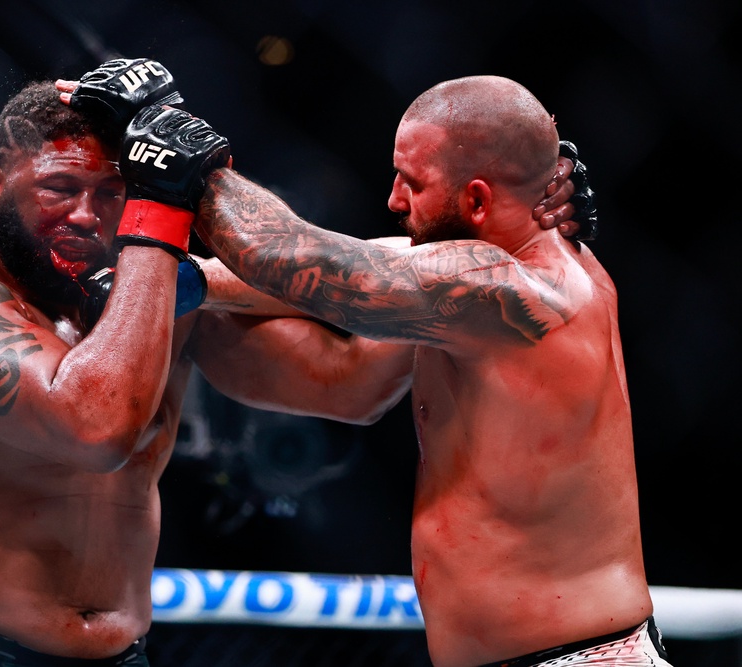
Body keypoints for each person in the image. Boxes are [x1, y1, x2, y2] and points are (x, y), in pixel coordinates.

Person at [0, 57, 592, 667]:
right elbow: (96, 425)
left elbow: (349, 384)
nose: (87, 215)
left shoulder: (156, 299)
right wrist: (160, 219)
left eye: (112, 193)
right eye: (60, 188)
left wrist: (494, 229)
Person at [128, 75, 669, 666]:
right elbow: (343, 329)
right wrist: (182, 279)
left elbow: (297, 261)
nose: (393, 198)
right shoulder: (477, 289)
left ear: (478, 201)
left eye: (413, 183)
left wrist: (187, 163)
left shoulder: (522, 293)